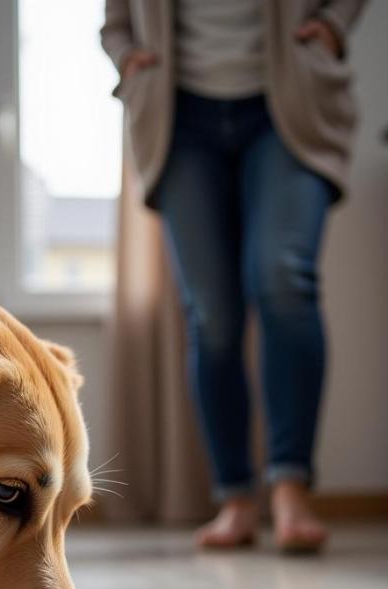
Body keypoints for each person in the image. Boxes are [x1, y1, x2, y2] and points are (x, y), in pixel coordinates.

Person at [101, 0, 367, 551]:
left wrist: (334, 27)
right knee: (212, 315)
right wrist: (126, 57)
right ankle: (236, 499)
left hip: (287, 100)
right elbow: (116, 19)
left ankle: (291, 488)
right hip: (179, 115)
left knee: (283, 279)